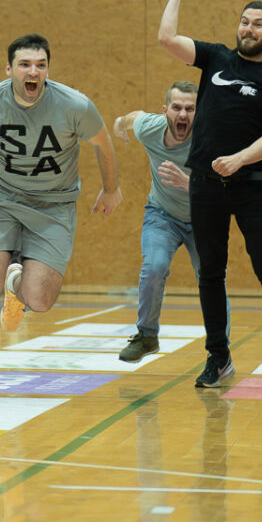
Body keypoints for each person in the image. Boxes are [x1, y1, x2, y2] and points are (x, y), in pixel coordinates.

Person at [0, 33, 121, 399]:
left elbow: (103, 143)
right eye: (25, 65)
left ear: (47, 70)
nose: (33, 72)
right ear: (9, 69)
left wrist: (110, 188)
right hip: (0, 199)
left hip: (53, 204)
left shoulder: (74, 105)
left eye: (41, 65)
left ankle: (17, 286)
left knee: (40, 299)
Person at [157, 0, 262, 389]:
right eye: (244, 21)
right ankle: (218, 357)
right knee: (210, 273)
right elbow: (167, 38)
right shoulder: (216, 58)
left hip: (251, 186)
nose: (248, 29)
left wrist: (239, 160)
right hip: (205, 186)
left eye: (258, 24)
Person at [110, 81, 211, 362]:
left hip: (204, 217)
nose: (183, 114)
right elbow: (134, 117)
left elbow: (224, 186)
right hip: (162, 214)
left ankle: (220, 348)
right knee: (154, 267)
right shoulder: (150, 128)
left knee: (212, 278)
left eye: (190, 109)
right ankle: (146, 335)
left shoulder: (210, 136)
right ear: (165, 111)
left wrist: (189, 182)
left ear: (199, 112)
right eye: (177, 108)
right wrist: (120, 123)